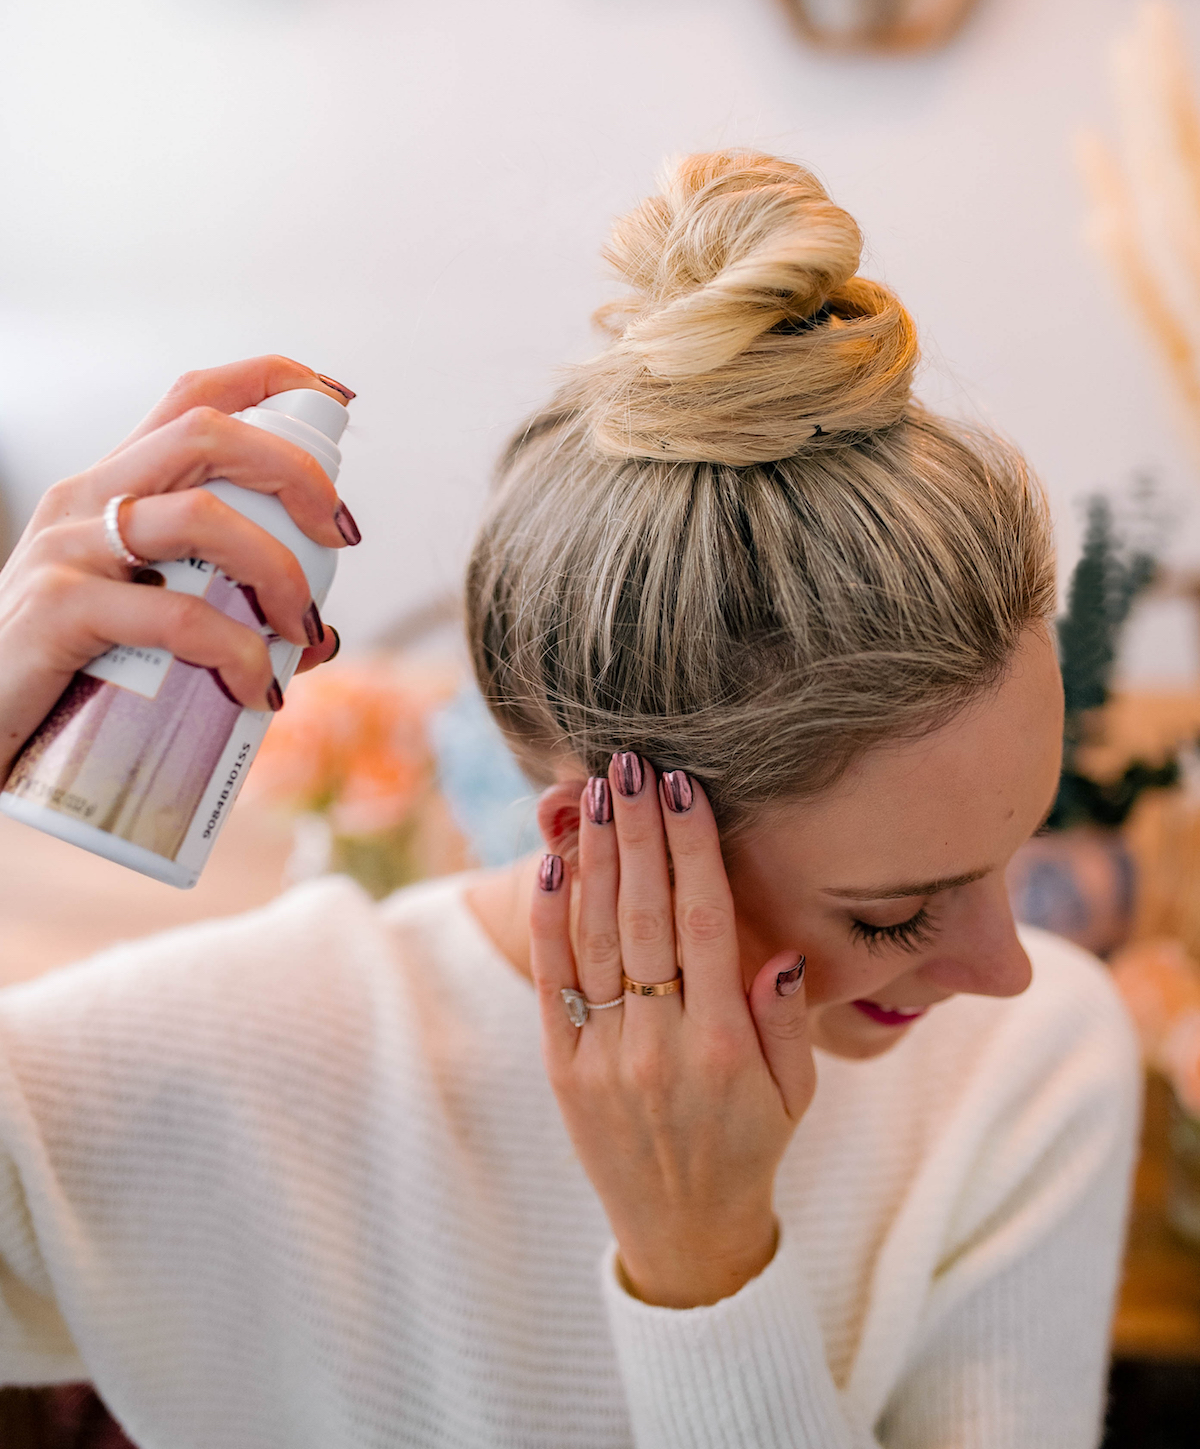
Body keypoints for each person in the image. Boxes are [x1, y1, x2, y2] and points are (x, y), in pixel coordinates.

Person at [0, 153, 1138, 1448]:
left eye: (1010, 847)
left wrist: (704, 1267)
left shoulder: (1031, 1076)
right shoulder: (223, 1065)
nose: (1009, 969)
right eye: (893, 915)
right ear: (597, 844)